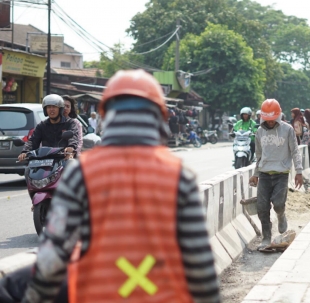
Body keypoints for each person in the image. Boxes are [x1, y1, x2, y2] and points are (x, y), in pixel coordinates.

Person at [21, 70, 220, 303]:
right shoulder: (180, 178)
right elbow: (200, 266)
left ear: (105, 114)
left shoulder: (79, 174)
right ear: (158, 115)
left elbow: (51, 259)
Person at [249, 99, 303, 250]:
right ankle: (266, 237)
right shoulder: (259, 132)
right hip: (265, 174)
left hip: (281, 174)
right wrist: (255, 174)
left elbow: (295, 151)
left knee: (278, 204)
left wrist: (298, 171)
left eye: (273, 120)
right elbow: (258, 155)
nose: (271, 123)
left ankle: (281, 215)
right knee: (261, 207)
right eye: (268, 120)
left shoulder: (288, 130)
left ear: (278, 117)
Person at [18, 94, 79, 163]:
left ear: (60, 109)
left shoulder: (70, 123)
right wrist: (25, 151)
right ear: (45, 110)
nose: (51, 109)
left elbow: (73, 137)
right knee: (28, 171)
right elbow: (33, 141)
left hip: (64, 159)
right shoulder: (42, 125)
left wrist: (71, 147)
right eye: (49, 107)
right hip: (45, 162)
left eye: (54, 107)